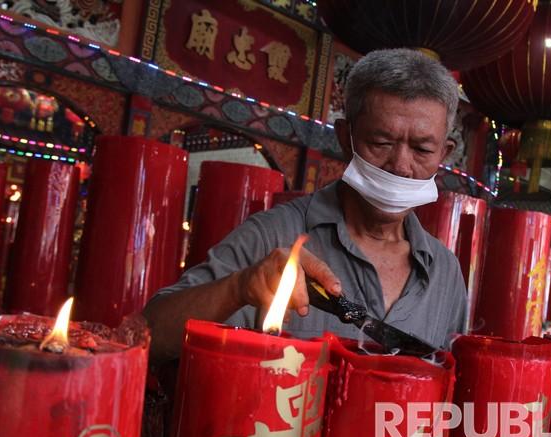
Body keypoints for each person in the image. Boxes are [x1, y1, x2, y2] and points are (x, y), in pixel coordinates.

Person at [143, 48, 468, 363]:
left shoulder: (445, 272)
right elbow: (149, 335)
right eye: (381, 143)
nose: (400, 164)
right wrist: (239, 287)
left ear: (444, 152)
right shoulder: (272, 236)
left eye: (422, 150)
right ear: (345, 137)